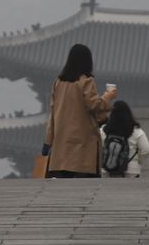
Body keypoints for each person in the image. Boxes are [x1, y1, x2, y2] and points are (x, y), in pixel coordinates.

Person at [42, 44, 117, 178]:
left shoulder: (58, 82)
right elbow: (93, 105)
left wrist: (48, 141)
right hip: (83, 138)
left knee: (64, 175)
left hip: (62, 138)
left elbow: (53, 112)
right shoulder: (86, 81)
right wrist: (108, 96)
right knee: (85, 178)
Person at [100, 100, 149, 178]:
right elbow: (146, 150)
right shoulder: (136, 131)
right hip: (131, 170)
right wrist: (138, 161)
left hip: (107, 170)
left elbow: (98, 149)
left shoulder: (104, 130)